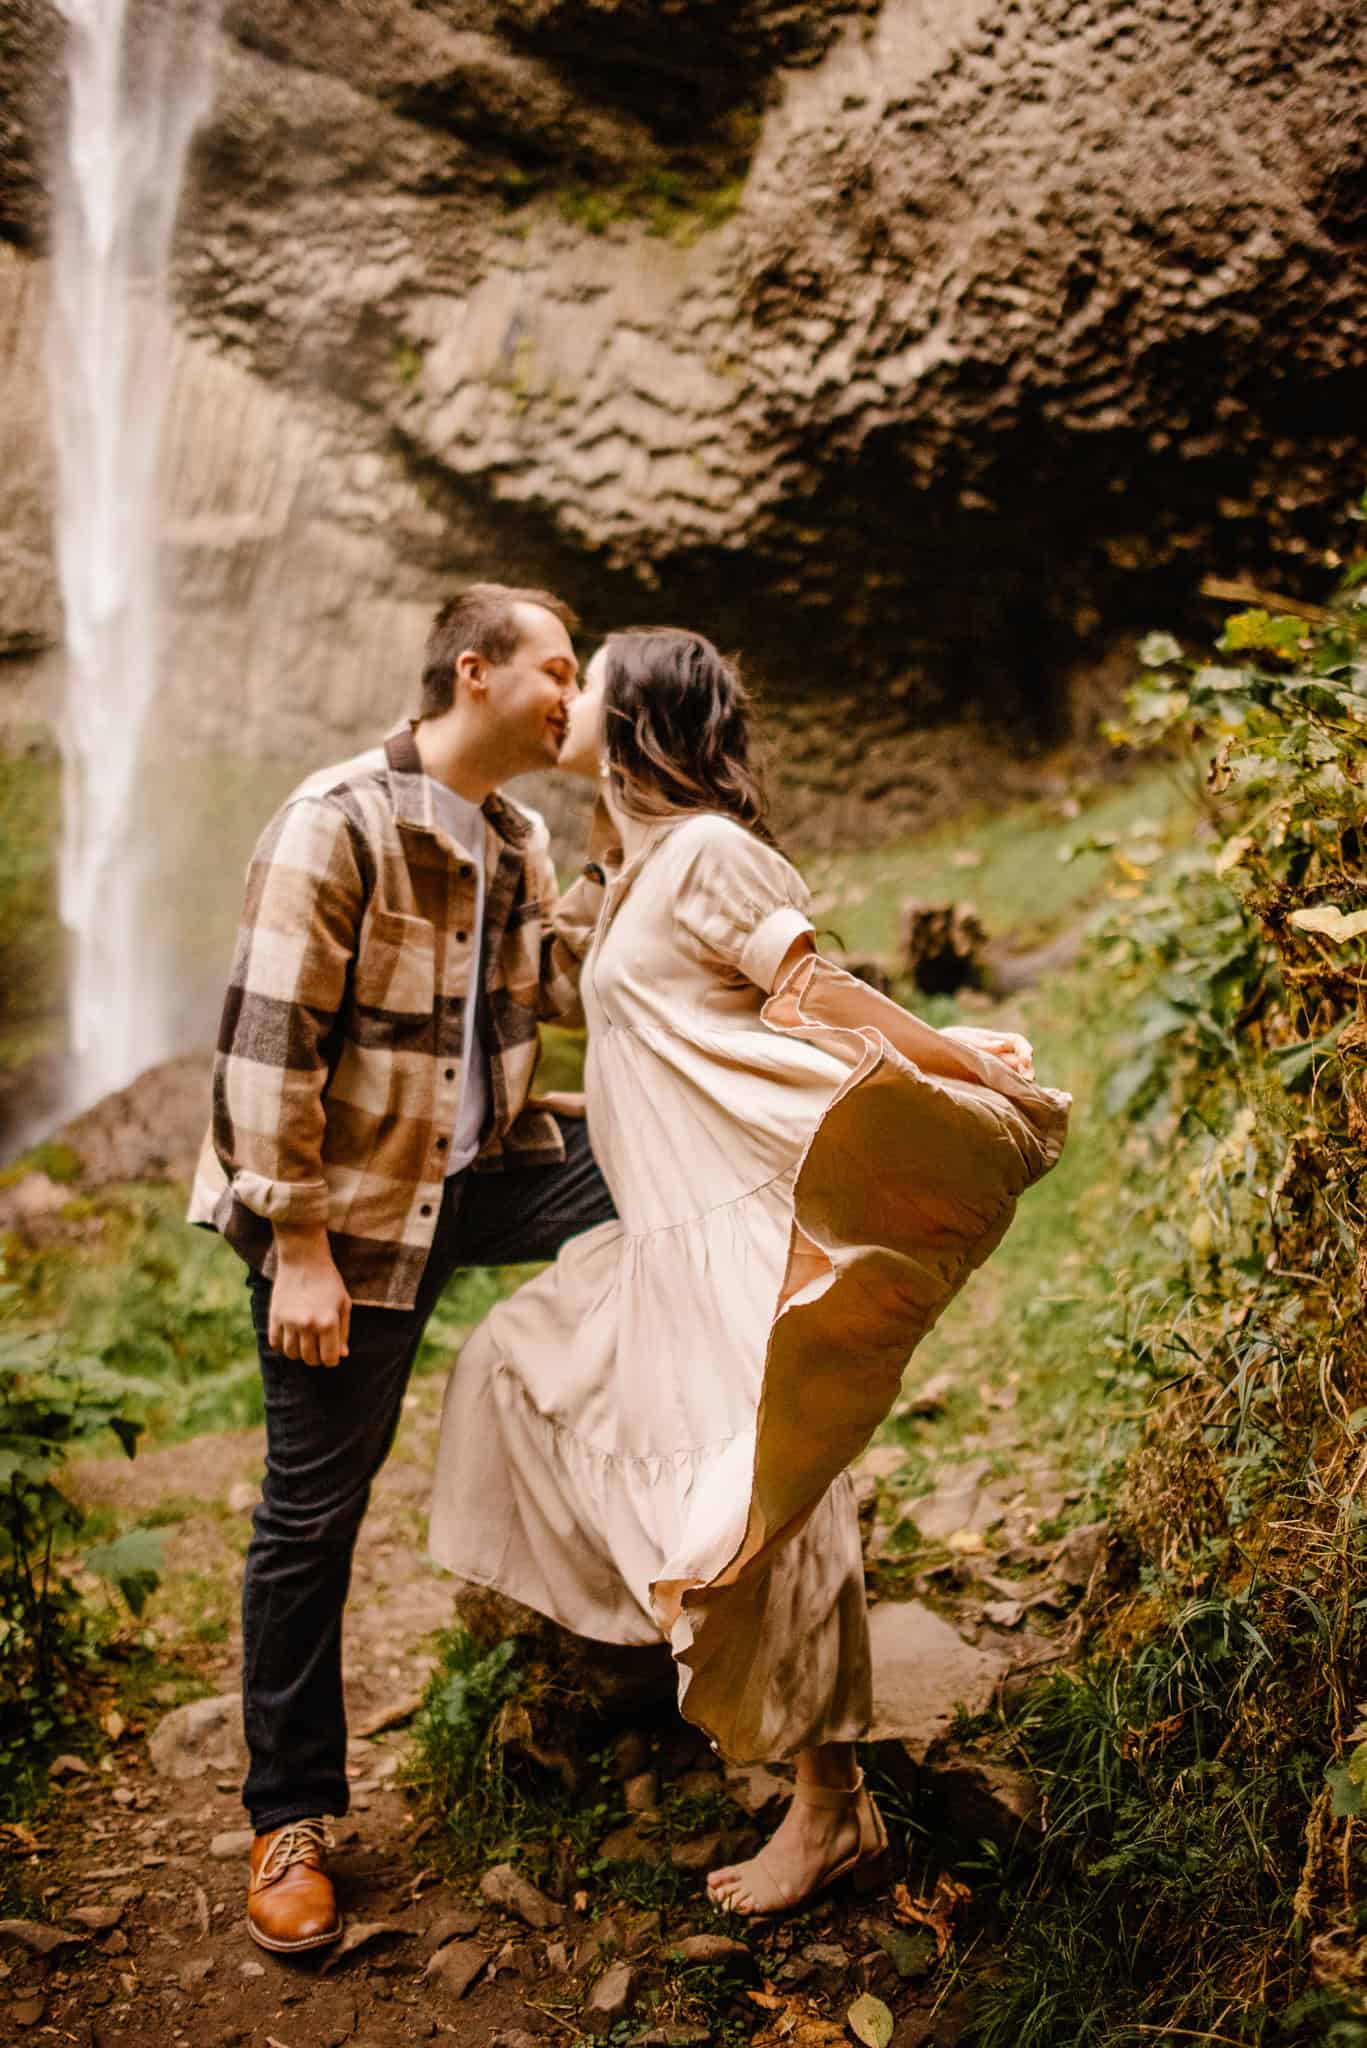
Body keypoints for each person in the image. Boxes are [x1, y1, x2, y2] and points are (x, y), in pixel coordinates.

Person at [429, 627, 1071, 1915]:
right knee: (515, 1364)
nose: (570, 693)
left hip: (737, 1220)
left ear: (641, 714)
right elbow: (620, 1026)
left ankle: (833, 1810)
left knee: (773, 1492)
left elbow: (810, 987)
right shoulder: (634, 873)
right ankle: (708, 1669)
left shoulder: (710, 853)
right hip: (658, 1230)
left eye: (589, 675)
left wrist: (948, 1064)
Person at [188, 583, 619, 1954]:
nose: (572, 690)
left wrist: (645, 817)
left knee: (672, 1164)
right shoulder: (337, 823)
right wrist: (299, 1248)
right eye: (558, 670)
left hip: (480, 1180)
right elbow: (263, 1049)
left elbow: (573, 987)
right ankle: (288, 1820)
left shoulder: (516, 832)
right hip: (348, 1220)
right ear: (474, 673)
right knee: (314, 1515)